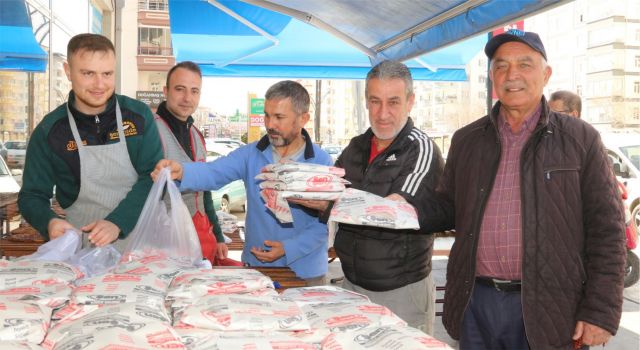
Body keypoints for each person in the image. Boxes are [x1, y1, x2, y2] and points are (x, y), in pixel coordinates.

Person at [412, 29, 626, 349]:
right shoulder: (467, 140)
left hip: (549, 308)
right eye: (501, 66)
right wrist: (401, 208)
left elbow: (608, 232)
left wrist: (600, 311)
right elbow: (447, 206)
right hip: (476, 303)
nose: (512, 75)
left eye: (525, 64)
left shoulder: (581, 140)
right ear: (491, 77)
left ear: (546, 73)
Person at [293, 60, 447, 334]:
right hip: (352, 285)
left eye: (394, 102)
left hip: (401, 291)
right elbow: (330, 189)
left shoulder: (421, 149)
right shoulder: (355, 146)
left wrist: (329, 206)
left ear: (410, 102)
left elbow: (391, 212)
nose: (383, 113)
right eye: (375, 101)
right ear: (365, 101)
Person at [152, 80, 332, 284]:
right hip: (258, 269)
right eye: (266, 115)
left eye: (279, 117)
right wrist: (182, 171)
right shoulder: (251, 155)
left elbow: (324, 225)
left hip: (305, 273)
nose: (270, 124)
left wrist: (288, 248)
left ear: (303, 119)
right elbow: (214, 172)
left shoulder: (321, 162)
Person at [18, 33, 163, 250]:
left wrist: (117, 222)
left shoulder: (138, 116)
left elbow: (153, 178)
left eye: (107, 74)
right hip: (84, 251)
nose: (99, 84)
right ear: (68, 71)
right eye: (88, 73)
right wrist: (49, 221)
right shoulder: (51, 131)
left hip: (144, 246)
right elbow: (32, 195)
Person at [154, 61, 232, 264]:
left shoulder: (196, 134)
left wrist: (219, 236)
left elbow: (205, 192)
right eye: (180, 89)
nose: (187, 98)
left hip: (201, 235)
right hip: (167, 238)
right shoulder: (151, 132)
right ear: (166, 91)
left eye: (194, 91)